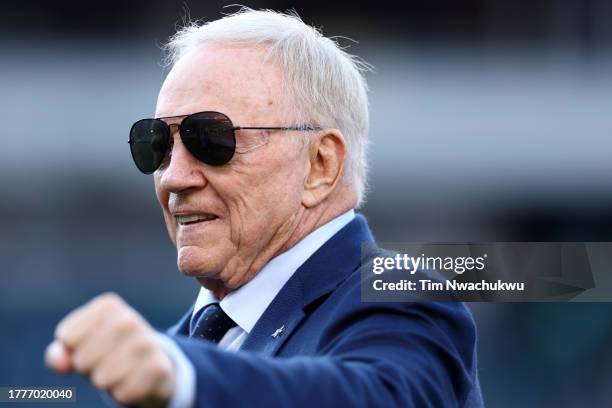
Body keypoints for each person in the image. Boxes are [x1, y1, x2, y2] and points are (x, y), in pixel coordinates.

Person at [45, 8, 483, 407]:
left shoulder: (403, 296)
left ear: (320, 165)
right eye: (156, 144)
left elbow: (377, 396)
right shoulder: (171, 354)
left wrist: (185, 379)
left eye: (211, 139)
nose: (175, 177)